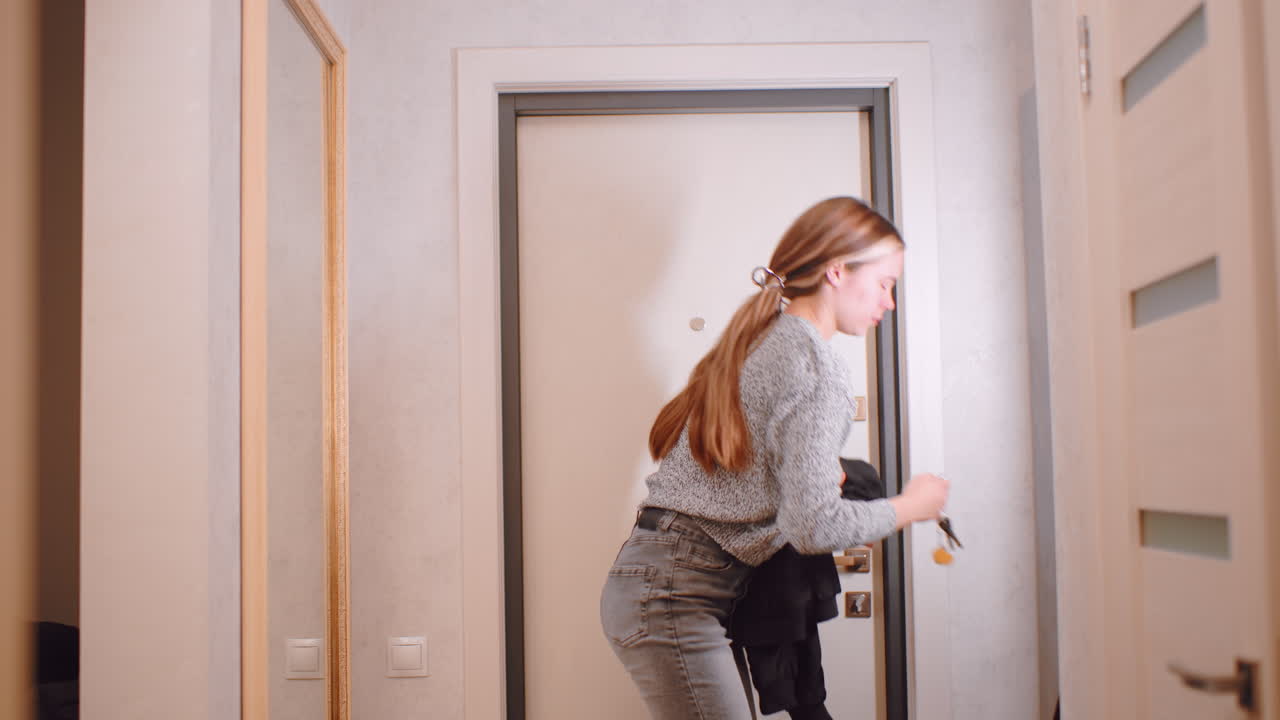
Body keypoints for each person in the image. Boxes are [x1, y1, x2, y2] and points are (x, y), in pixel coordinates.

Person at [599, 196, 949, 719]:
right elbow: (812, 526)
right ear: (836, 271)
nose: (890, 301)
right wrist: (911, 506)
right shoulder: (814, 365)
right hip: (674, 596)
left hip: (668, 586)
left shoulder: (768, 337)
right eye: (884, 283)